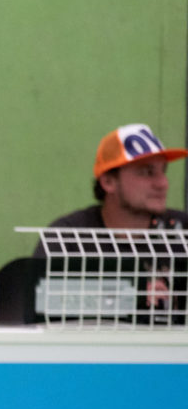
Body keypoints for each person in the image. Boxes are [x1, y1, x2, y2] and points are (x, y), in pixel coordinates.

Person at [32, 123, 188, 317]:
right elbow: (37, 305)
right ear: (108, 182)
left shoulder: (182, 230)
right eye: (147, 172)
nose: (162, 183)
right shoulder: (69, 237)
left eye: (163, 172)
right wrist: (130, 295)